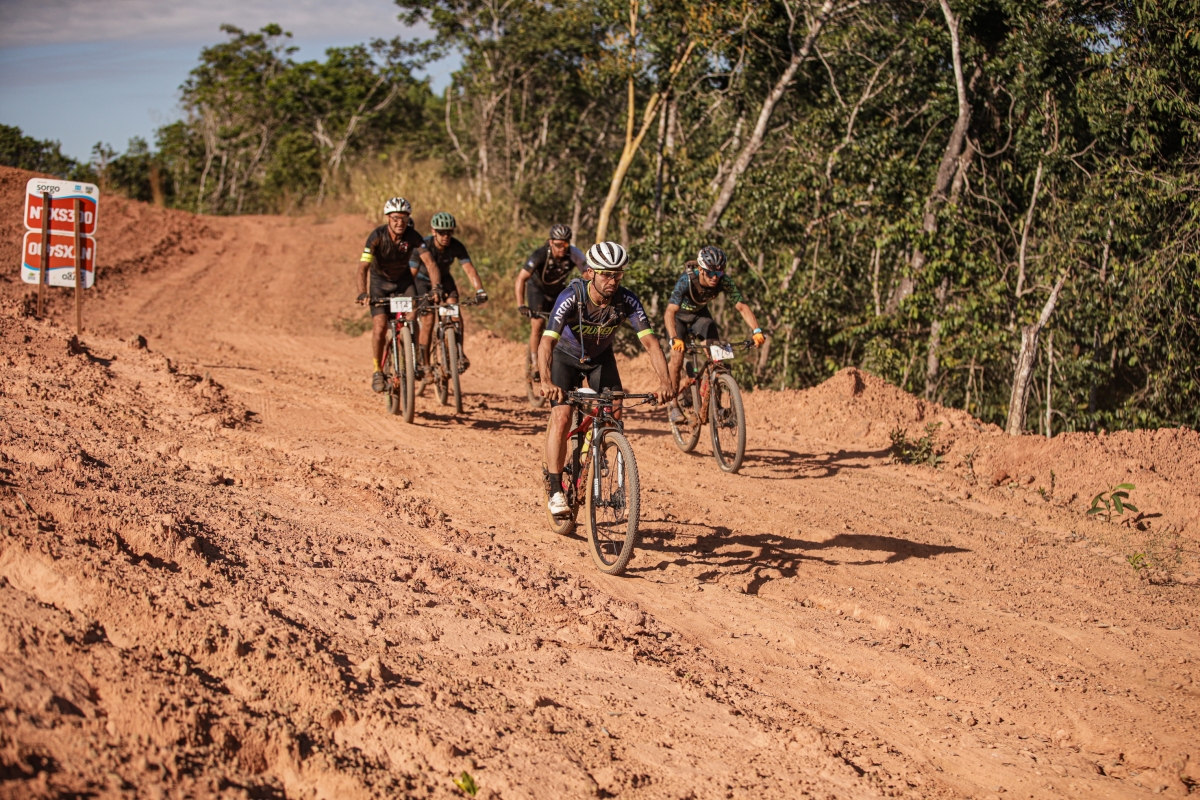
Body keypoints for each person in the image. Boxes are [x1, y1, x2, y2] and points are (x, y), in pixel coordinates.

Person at [539, 242, 674, 516]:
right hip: (566, 357)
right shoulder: (571, 296)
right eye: (606, 274)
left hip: (600, 359)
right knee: (562, 416)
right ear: (590, 272)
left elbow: (651, 343)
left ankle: (596, 451)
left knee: (615, 410)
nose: (613, 280)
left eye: (618, 274)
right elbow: (546, 343)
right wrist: (545, 380)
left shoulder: (627, 301)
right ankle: (555, 489)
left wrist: (666, 382)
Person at [663, 245, 765, 423]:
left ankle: (715, 405)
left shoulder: (724, 280)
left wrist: (756, 331)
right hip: (679, 318)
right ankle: (673, 404)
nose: (715, 278)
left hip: (701, 317)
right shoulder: (686, 280)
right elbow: (669, 312)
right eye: (711, 273)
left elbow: (742, 306)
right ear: (701, 269)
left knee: (717, 358)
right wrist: (674, 338)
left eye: (719, 273)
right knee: (677, 358)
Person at [356, 197, 442, 393]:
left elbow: (430, 263)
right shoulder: (376, 236)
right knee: (379, 327)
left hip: (403, 283)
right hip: (379, 284)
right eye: (395, 218)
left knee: (412, 317)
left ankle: (414, 359)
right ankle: (377, 370)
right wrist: (362, 292)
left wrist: (436, 287)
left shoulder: (413, 237)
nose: (400, 223)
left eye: (404, 218)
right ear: (388, 218)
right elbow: (363, 267)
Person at [412, 212, 487, 372]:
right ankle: (424, 363)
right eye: (442, 232)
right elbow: (412, 271)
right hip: (423, 281)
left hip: (445, 279)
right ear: (433, 231)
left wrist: (480, 290)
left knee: (455, 313)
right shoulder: (424, 245)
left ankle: (459, 353)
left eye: (449, 232)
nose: (446, 236)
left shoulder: (456, 245)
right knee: (428, 320)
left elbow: (469, 270)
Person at [514, 224, 587, 380]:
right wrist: (521, 304)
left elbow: (588, 275)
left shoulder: (574, 253)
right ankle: (535, 363)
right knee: (538, 323)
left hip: (557, 292)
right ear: (550, 242)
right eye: (558, 244)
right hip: (537, 290)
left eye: (565, 244)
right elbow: (521, 278)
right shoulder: (540, 254)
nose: (562, 248)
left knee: (566, 325)